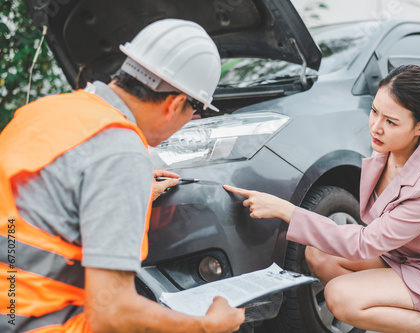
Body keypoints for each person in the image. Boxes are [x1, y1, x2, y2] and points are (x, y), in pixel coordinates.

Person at [0, 19, 244, 332]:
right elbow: (113, 313)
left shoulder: (48, 111)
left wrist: (119, 192)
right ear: (175, 104)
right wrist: (206, 326)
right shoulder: (122, 152)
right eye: (194, 112)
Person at [224, 65, 420, 332]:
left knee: (341, 296)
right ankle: (390, 320)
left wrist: (288, 211)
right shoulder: (387, 156)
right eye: (375, 111)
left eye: (391, 121)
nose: (376, 127)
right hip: (405, 260)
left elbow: (365, 243)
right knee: (319, 254)